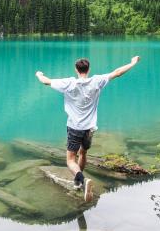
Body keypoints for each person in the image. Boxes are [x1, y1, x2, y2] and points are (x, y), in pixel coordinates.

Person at [35, 56, 140, 202]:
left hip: (74, 127)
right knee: (83, 153)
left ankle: (81, 179)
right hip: (90, 128)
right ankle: (78, 181)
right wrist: (133, 63)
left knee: (70, 160)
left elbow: (46, 81)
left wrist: (39, 74)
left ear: (76, 70)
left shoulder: (69, 83)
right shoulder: (97, 81)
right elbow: (117, 72)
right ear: (88, 69)